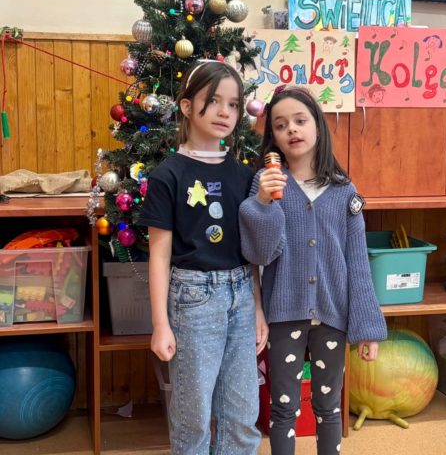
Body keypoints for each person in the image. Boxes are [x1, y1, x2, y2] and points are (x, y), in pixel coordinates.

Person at [239, 85, 387, 455]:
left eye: (300, 121)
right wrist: (263, 203)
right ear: (273, 137)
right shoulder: (265, 183)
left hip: (333, 316)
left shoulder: (343, 191)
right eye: (280, 125)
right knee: (283, 408)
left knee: (329, 406)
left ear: (317, 126)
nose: (291, 129)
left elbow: (358, 263)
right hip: (284, 314)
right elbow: (259, 254)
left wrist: (367, 329)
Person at [138, 60, 268, 455]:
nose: (225, 112)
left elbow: (251, 252)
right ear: (187, 106)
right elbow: (159, 256)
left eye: (233, 104)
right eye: (213, 101)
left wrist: (257, 309)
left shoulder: (245, 176)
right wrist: (160, 325)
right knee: (193, 417)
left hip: (241, 295)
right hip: (193, 301)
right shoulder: (168, 175)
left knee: (242, 415)